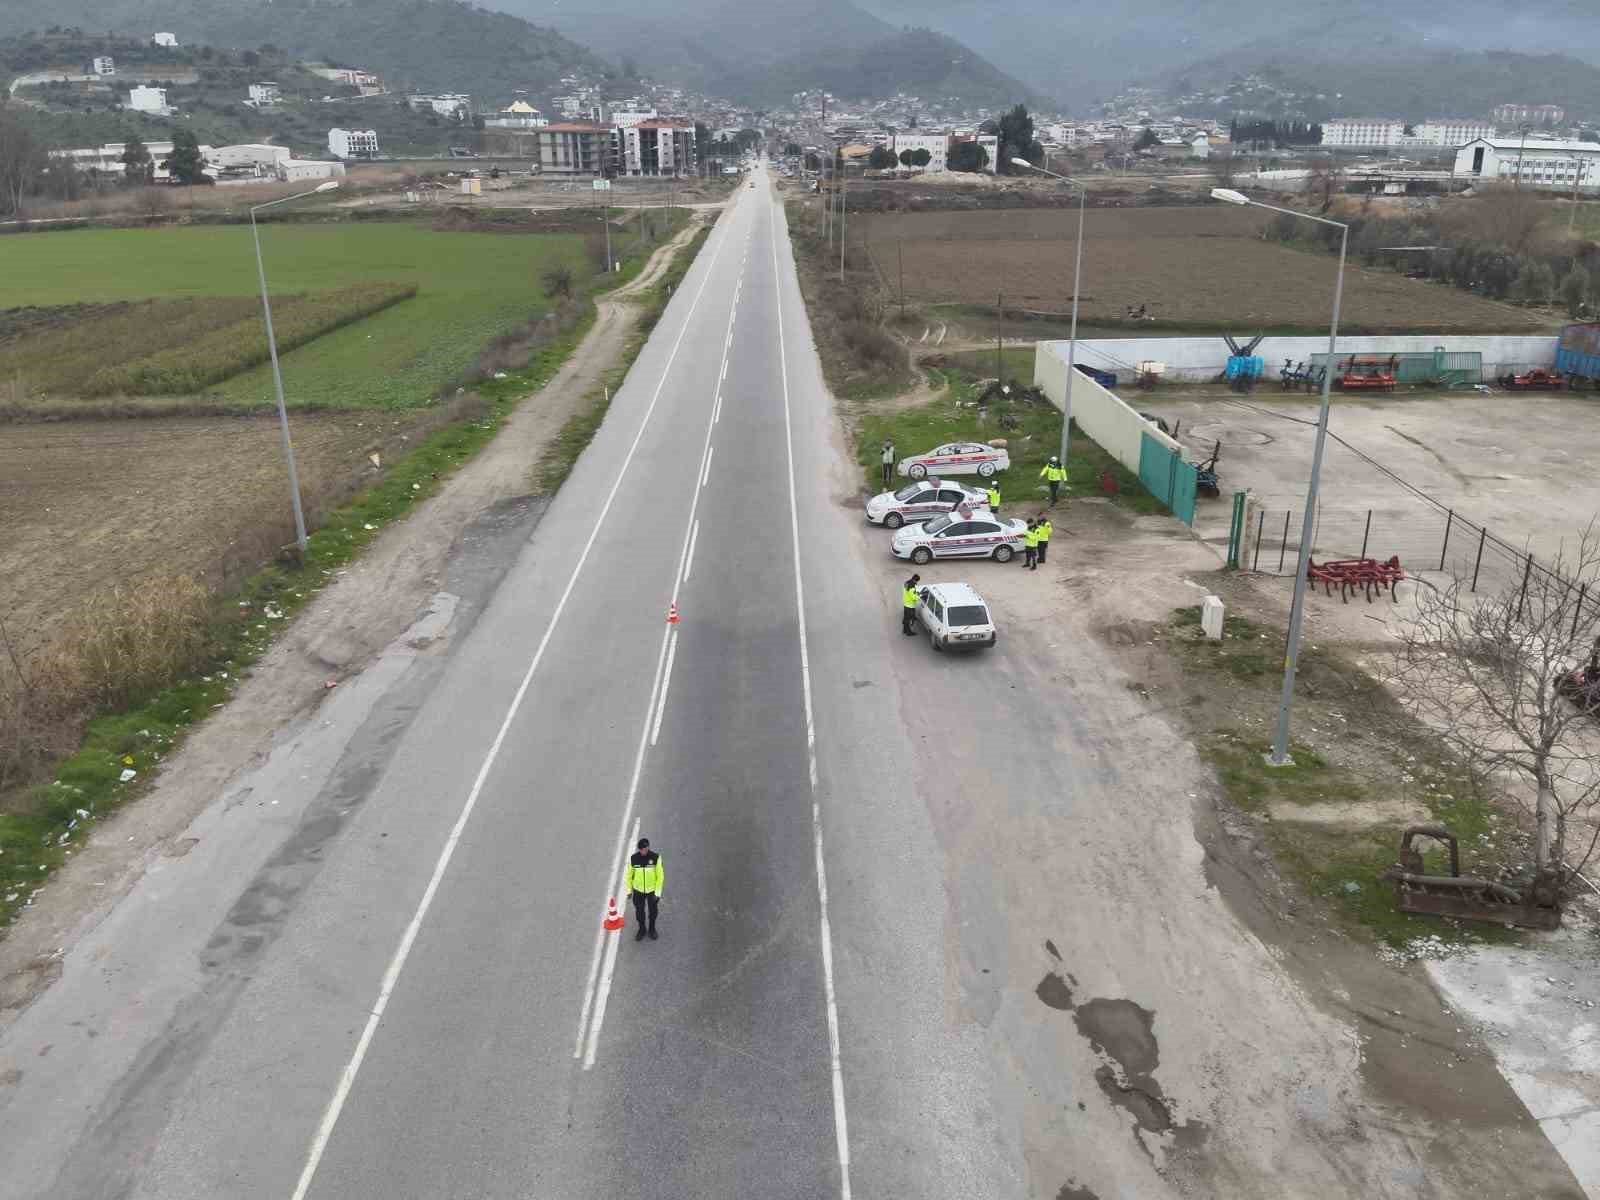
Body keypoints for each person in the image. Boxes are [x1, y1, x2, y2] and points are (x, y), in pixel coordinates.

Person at [626, 837, 663, 941]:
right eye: (644, 849)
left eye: (647, 848)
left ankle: (652, 929)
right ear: (640, 849)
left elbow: (660, 876)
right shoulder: (633, 859)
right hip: (638, 891)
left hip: (652, 891)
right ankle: (642, 929)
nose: (646, 850)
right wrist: (629, 890)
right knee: (639, 912)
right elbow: (629, 876)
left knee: (653, 912)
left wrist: (658, 893)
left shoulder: (656, 858)